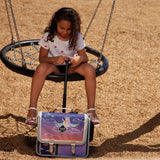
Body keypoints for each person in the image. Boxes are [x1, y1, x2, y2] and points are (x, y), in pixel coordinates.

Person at [25, 7, 99, 128]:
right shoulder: (49, 36)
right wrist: (55, 59)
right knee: (41, 68)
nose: (65, 32)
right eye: (62, 28)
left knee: (90, 69)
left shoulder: (76, 36)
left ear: (74, 28)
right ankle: (32, 109)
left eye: (69, 29)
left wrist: (78, 59)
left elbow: (85, 57)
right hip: (53, 66)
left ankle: (91, 110)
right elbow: (42, 59)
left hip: (71, 66)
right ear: (55, 24)